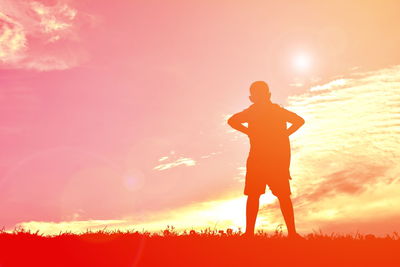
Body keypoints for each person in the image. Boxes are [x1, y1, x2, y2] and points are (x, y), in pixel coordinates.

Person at [227, 81, 305, 238]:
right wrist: (250, 131)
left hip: (271, 160)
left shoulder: (269, 111)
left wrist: (250, 131)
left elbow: (299, 121)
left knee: (271, 196)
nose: (260, 98)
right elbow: (232, 121)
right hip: (263, 159)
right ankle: (255, 234)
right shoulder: (264, 111)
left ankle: (289, 233)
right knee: (260, 195)